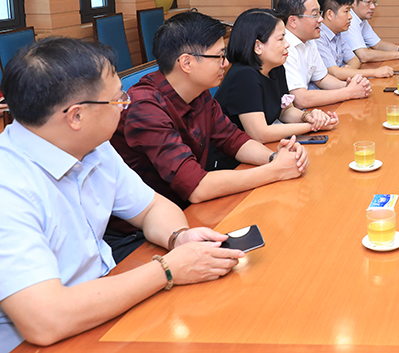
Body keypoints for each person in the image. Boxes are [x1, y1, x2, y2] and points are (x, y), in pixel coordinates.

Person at [0, 37, 243, 352]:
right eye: (118, 100)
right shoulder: (9, 187)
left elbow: (152, 207)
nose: (126, 105)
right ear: (76, 116)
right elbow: (46, 320)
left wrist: (178, 238)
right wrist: (167, 269)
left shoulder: (93, 147)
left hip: (106, 304)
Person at [111, 11, 308, 228]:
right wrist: (274, 171)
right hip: (145, 230)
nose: (226, 63)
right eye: (219, 56)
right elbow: (197, 187)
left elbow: (233, 140)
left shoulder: (198, 92)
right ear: (187, 63)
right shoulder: (145, 107)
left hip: (189, 210)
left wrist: (275, 158)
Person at [215, 8, 339, 143]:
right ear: (258, 46)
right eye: (281, 39)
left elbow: (285, 111)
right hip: (234, 154)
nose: (287, 44)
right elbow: (260, 134)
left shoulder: (275, 68)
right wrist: (311, 126)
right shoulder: (243, 76)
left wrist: (309, 117)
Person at [277, 0, 372, 109]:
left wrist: (350, 86)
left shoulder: (309, 41)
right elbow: (301, 99)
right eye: (314, 15)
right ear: (293, 21)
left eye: (319, 14)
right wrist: (348, 92)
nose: (320, 19)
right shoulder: (283, 47)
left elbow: (322, 79)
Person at [316, 0, 394, 80]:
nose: (350, 16)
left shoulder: (338, 34)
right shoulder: (318, 37)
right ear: (330, 15)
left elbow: (354, 60)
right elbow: (335, 73)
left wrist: (348, 70)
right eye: (346, 11)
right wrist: (375, 72)